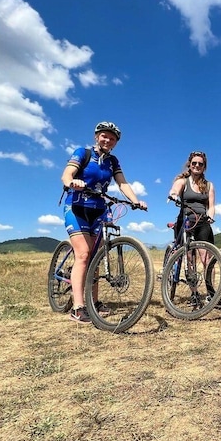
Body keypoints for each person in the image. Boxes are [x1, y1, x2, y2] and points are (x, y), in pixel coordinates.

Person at [61, 121, 145, 324]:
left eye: (112, 138)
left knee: (97, 257)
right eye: (104, 136)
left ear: (116, 143)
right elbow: (66, 174)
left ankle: (93, 301)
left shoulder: (113, 161)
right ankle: (78, 307)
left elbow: (122, 182)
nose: (108, 140)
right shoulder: (83, 153)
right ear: (96, 136)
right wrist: (73, 182)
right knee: (83, 254)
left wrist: (135, 201)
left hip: (99, 209)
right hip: (77, 207)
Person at [168, 151, 216, 307]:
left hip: (202, 222)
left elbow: (211, 206)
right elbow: (175, 189)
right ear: (190, 164)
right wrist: (174, 195)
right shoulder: (183, 181)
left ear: (204, 167)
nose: (197, 166)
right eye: (194, 163)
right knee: (190, 259)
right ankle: (194, 293)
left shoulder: (209, 185)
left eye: (200, 164)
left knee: (207, 259)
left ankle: (211, 293)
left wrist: (210, 216)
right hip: (186, 221)